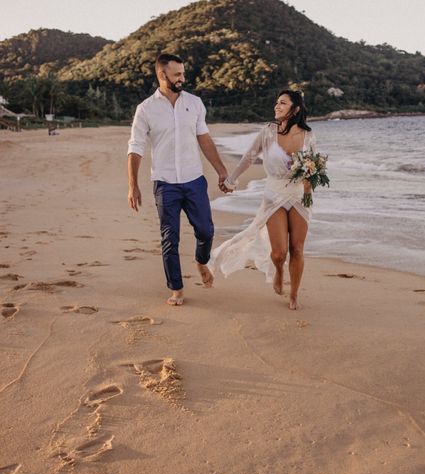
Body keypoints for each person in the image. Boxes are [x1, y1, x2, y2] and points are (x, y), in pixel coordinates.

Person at [127, 53, 230, 306]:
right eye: (177, 75)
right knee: (169, 238)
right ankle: (177, 289)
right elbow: (135, 147)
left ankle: (201, 261)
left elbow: (204, 139)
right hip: (165, 183)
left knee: (206, 231)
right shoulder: (146, 109)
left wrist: (221, 170)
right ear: (162, 76)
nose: (183, 78)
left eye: (183, 74)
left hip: (194, 180)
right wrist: (133, 185)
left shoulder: (194, 103)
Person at [209, 89, 318, 310]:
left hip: (299, 195)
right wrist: (231, 180)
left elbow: (314, 169)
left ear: (295, 109)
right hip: (274, 194)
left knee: (297, 248)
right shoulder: (268, 131)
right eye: (276, 102)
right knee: (279, 252)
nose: (277, 106)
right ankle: (278, 269)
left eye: (283, 103)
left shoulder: (308, 135)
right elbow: (249, 157)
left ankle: (294, 294)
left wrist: (309, 186)